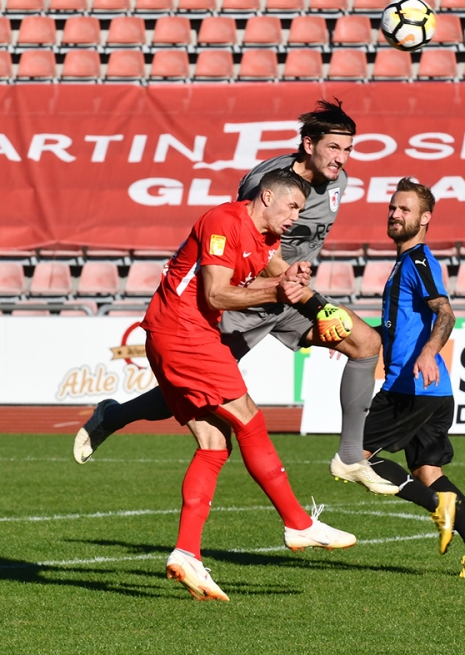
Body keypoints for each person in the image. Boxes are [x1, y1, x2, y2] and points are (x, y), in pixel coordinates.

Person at [75, 99, 391, 494]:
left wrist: (307, 296)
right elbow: (247, 244)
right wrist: (298, 292)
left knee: (365, 343)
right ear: (309, 144)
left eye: (348, 150)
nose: (342, 158)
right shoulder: (266, 183)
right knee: (192, 392)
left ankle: (350, 457)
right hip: (247, 300)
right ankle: (114, 416)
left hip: (291, 297)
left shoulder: (338, 184)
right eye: (334, 148)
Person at [142, 168, 356, 602]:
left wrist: (303, 294)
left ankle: (187, 553)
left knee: (213, 445)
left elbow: (270, 279)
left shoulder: (267, 241)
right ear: (267, 196)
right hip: (182, 332)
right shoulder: (224, 221)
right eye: (293, 206)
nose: (297, 216)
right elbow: (216, 295)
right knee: (250, 419)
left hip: (181, 333)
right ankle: (297, 522)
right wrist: (280, 290)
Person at [360, 177, 465, 579]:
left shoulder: (418, 259)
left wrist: (426, 352)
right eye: (392, 207)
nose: (395, 214)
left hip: (410, 387)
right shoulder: (403, 263)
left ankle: (437, 507)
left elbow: (446, 312)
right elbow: (400, 323)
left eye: (404, 209)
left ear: (425, 218)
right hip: (433, 393)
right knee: (428, 473)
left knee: (353, 458)